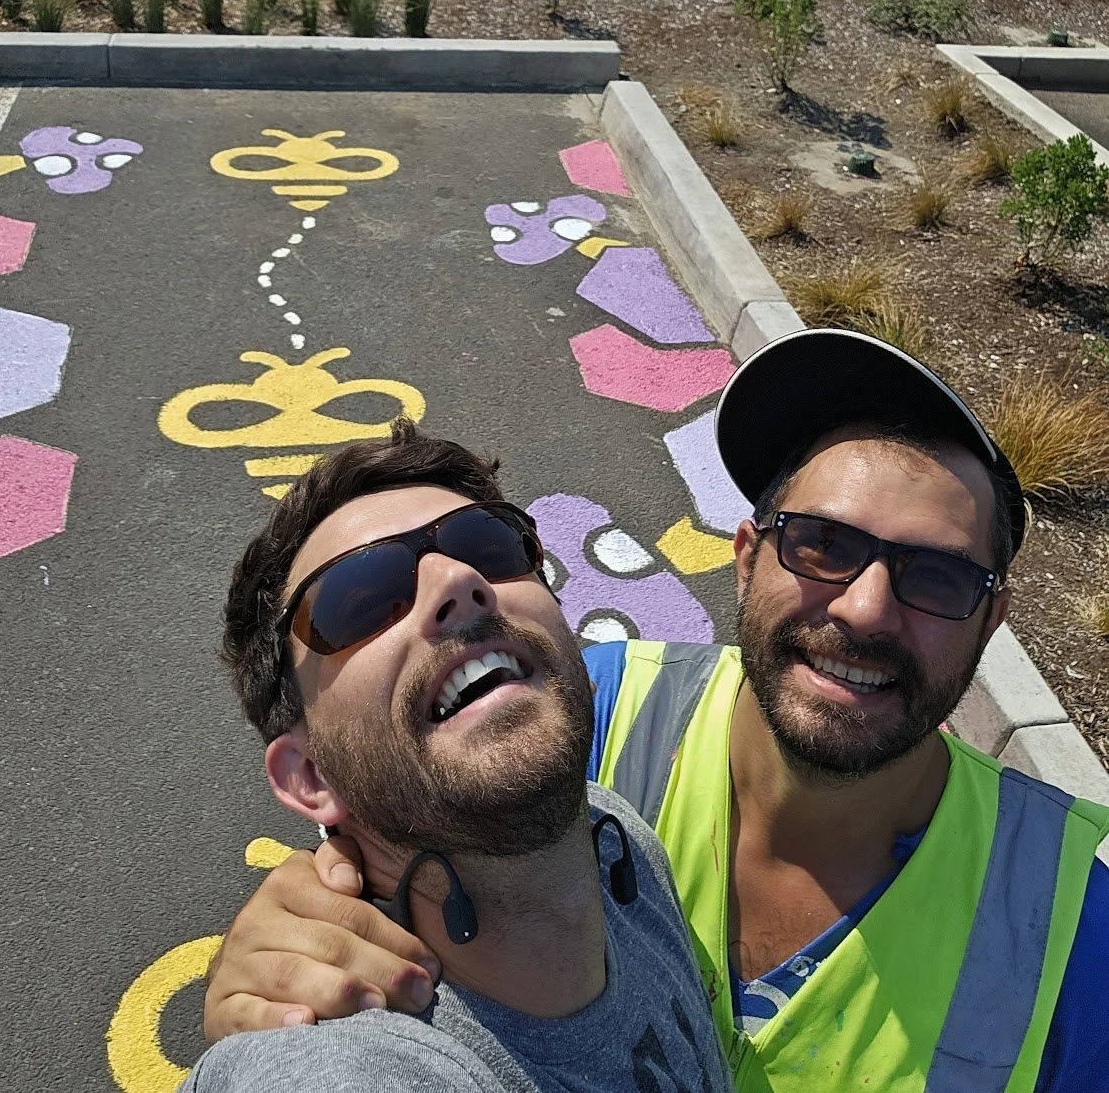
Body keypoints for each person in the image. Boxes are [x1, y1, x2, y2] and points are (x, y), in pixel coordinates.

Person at [203, 330, 1109, 1092]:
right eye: (822, 543)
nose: (866, 608)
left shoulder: (1074, 932)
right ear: (746, 557)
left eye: (940, 577)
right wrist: (288, 946)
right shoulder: (592, 706)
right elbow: (395, 790)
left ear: (991, 621)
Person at [183, 425, 731, 1091]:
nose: (461, 580)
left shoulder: (621, 845)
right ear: (310, 776)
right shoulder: (340, 1068)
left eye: (490, 544)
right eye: (360, 598)